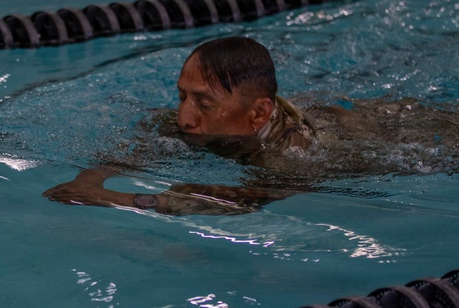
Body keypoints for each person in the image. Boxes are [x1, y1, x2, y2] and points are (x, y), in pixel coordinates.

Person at [42, 36, 316, 215]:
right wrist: (89, 179)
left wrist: (111, 198)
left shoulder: (290, 155)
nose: (183, 118)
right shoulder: (199, 121)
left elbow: (229, 199)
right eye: (182, 96)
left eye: (204, 105)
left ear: (258, 114)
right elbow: (139, 144)